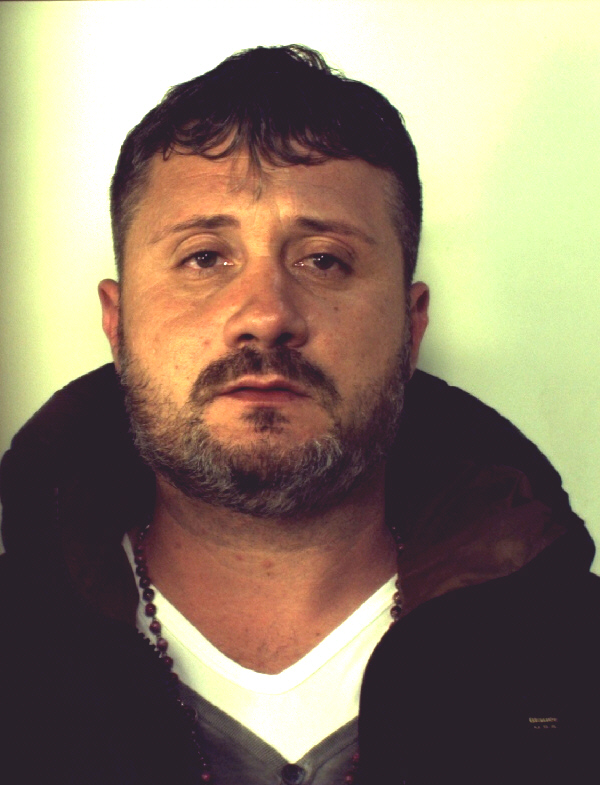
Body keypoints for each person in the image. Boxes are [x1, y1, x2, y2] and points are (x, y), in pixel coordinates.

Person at [0, 44, 598, 785]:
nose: (266, 315)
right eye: (204, 257)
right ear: (116, 324)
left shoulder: (580, 662)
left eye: (324, 259)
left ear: (411, 328)